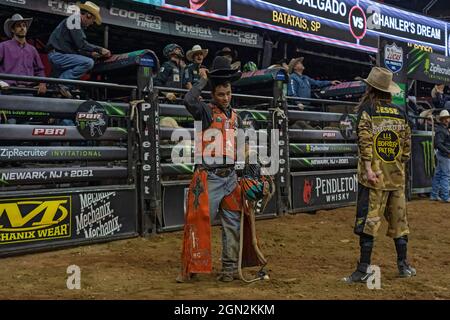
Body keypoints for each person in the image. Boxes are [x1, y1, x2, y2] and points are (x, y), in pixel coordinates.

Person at [178, 56, 267, 283]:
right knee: (199, 222)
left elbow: (243, 147)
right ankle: (191, 268)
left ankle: (229, 269)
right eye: (220, 94)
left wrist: (255, 172)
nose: (225, 98)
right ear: (212, 94)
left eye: (228, 94)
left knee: (233, 222)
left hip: (230, 177)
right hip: (209, 176)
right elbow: (188, 100)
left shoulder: (234, 117)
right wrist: (202, 82)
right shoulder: (205, 111)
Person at [343, 67, 416, 284]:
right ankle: (403, 265)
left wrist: (368, 168)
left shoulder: (367, 110)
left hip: (373, 177)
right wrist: (395, 167)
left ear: (371, 88)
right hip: (395, 178)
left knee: (368, 222)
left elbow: (365, 141)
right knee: (399, 222)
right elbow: (406, 150)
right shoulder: (400, 112)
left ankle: (363, 268)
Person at [47, 1, 111, 97]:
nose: (92, 23)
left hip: (60, 56)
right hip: (58, 56)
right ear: (88, 15)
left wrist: (91, 54)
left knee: (55, 92)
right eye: (92, 20)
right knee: (88, 62)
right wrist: (100, 49)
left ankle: (58, 87)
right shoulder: (74, 20)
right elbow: (81, 44)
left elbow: (77, 49)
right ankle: (62, 83)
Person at [0, 14, 46, 95]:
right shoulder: (3, 46)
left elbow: (40, 70)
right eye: (18, 26)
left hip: (28, 91)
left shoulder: (32, 50)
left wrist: (42, 83)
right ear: (12, 30)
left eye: (24, 25)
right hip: (7, 91)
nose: (22, 28)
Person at [430, 110, 450, 203]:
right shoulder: (442, 130)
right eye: (445, 118)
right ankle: (445, 196)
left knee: (438, 175)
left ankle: (434, 195)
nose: (447, 120)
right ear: (442, 119)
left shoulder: (442, 129)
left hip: (442, 154)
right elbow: (438, 144)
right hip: (444, 155)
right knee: (445, 175)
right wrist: (448, 151)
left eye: (447, 118)